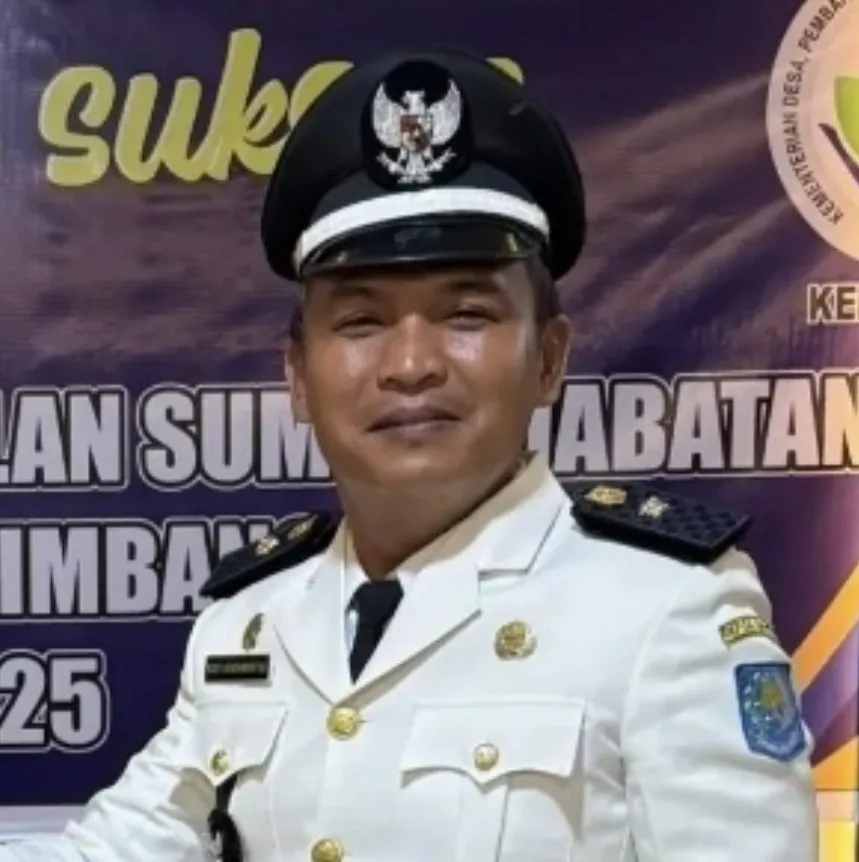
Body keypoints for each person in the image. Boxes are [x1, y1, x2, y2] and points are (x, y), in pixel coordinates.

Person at [1, 48, 818, 862]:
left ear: (547, 360)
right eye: (361, 322)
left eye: (465, 315)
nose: (410, 364)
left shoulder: (663, 607)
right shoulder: (250, 619)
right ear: (298, 377)